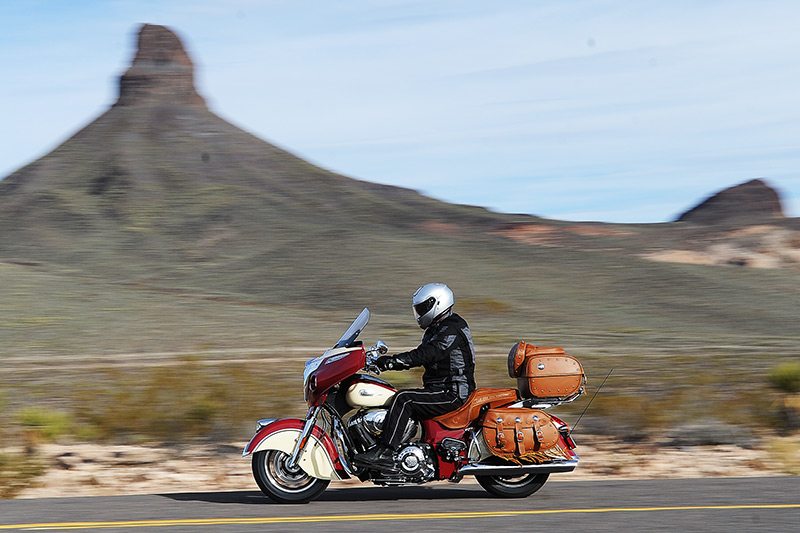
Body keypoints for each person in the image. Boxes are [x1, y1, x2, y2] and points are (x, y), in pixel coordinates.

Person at [355, 283, 476, 470]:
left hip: (453, 392)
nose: (419, 313)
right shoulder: (436, 329)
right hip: (439, 389)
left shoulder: (452, 328)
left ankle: (386, 452)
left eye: (422, 308)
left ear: (437, 303)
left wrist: (392, 362)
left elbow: (428, 353)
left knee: (404, 399)